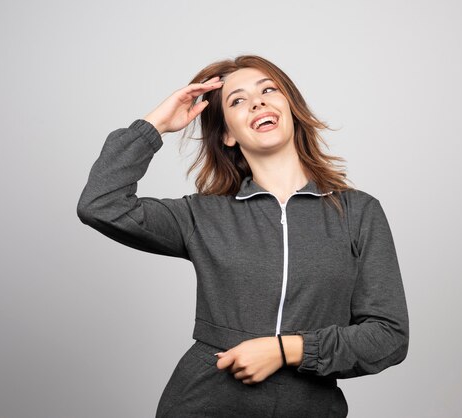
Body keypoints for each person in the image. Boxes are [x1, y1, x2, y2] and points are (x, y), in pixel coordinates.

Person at [77, 55, 409, 418]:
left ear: (291, 108)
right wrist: (154, 125)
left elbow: (388, 337)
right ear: (228, 134)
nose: (257, 101)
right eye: (237, 100)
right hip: (202, 405)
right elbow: (101, 204)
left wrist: (287, 350)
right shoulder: (201, 215)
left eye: (269, 90)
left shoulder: (358, 212)